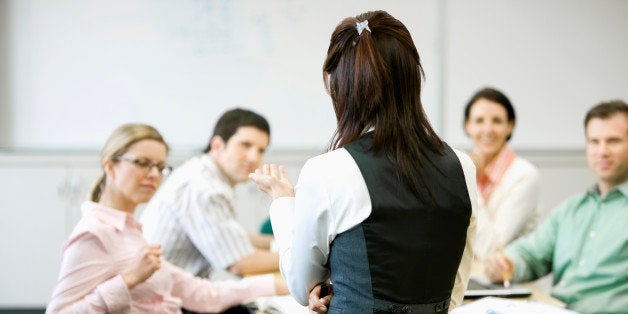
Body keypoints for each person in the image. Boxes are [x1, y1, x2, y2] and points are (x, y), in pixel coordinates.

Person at [250, 10, 477, 313]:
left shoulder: (328, 170)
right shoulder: (462, 166)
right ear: (412, 79)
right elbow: (454, 291)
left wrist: (282, 202)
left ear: (340, 87)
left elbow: (301, 285)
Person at [47, 123, 286, 313]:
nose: (153, 175)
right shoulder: (94, 234)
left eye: (160, 167)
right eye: (142, 164)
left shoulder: (131, 233)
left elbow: (202, 293)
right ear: (110, 166)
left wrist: (293, 287)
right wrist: (128, 280)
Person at [484, 100, 628, 314]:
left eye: (613, 141)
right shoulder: (571, 209)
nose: (602, 151)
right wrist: (507, 263)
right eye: (594, 141)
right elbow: (531, 252)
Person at [140, 108, 279, 278]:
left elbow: (235, 238)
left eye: (261, 150)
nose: (253, 158)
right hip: (165, 299)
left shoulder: (202, 173)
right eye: (245, 145)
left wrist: (281, 243)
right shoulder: (204, 187)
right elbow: (240, 263)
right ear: (217, 145)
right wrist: (308, 260)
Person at [463, 87, 540, 260]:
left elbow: (490, 249)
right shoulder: (460, 167)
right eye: (479, 120)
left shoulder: (525, 175)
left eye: (497, 121)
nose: (488, 129)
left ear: (510, 126)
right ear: (468, 126)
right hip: (470, 278)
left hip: (511, 283)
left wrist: (469, 181)